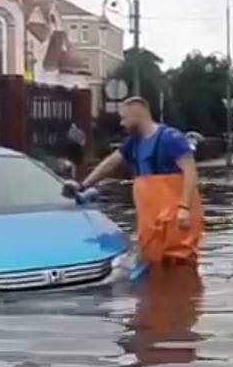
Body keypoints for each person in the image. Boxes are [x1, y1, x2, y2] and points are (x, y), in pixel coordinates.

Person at [77, 97, 202, 267]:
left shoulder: (171, 138)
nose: (122, 123)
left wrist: (184, 208)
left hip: (176, 220)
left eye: (124, 118)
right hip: (150, 221)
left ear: (137, 114)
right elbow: (110, 164)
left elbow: (190, 172)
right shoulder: (134, 144)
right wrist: (83, 185)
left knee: (179, 265)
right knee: (152, 263)